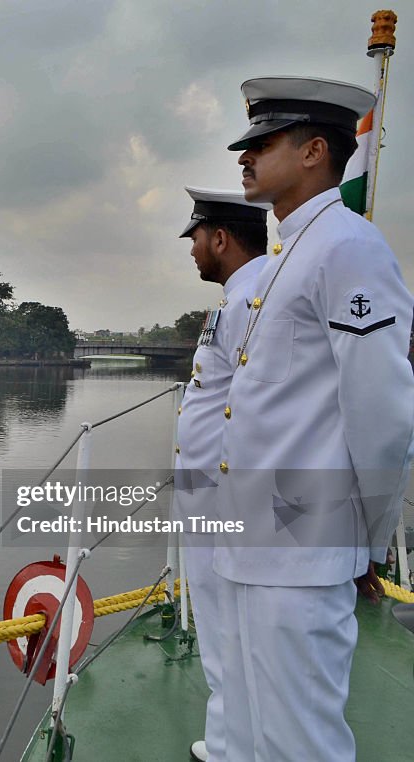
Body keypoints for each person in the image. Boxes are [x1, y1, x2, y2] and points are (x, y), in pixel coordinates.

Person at [215, 76, 414, 761]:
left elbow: (381, 410)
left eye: (261, 144)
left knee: (300, 743)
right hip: (256, 540)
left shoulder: (347, 247)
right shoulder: (283, 257)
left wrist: (370, 536)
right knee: (255, 735)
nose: (244, 158)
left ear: (314, 151)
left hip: (303, 547)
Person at [173, 187, 270, 762]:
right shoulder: (238, 299)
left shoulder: (255, 297)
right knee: (220, 624)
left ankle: (241, 744)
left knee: (232, 625)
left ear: (220, 238)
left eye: (195, 239)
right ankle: (231, 737)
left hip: (224, 497)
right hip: (208, 491)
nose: (191, 252)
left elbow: (259, 404)